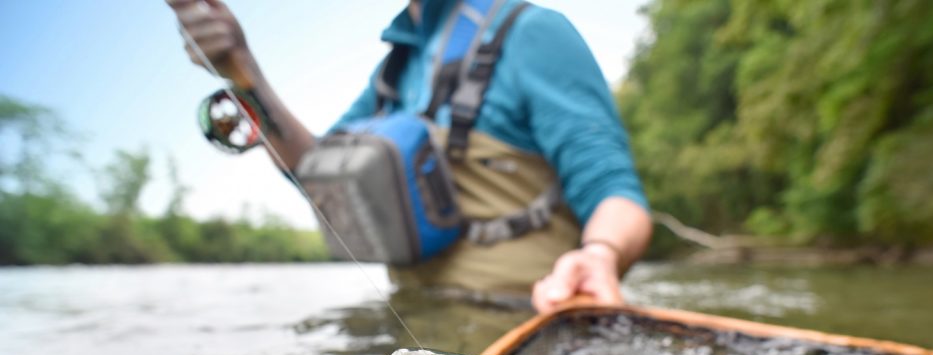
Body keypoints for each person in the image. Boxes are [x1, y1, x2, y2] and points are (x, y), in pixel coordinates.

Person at [167, 0, 652, 314]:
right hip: (412, 323)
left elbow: (617, 194)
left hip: (524, 328)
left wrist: (601, 253)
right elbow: (317, 173)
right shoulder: (392, 72)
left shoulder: (536, 33)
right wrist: (243, 71)